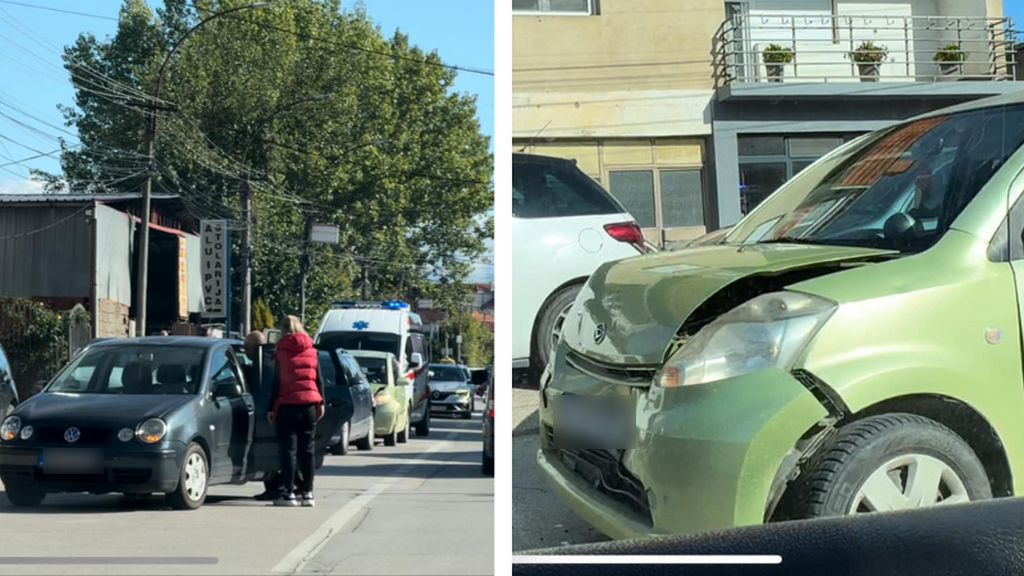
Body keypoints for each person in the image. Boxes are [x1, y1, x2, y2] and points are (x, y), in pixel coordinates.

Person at [268, 315, 325, 507]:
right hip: (310, 405)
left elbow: (276, 382)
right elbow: (319, 380)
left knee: (288, 451)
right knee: (307, 450)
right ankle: (308, 493)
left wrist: (270, 407)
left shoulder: (281, 352)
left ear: (283, 330)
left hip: (287, 405)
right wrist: (321, 402)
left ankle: (289, 492)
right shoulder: (312, 351)